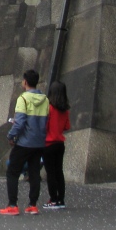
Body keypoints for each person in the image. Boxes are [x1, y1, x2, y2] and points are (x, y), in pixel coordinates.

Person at [0, 69, 49, 216]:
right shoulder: (45, 99)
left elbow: (20, 123)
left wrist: (11, 136)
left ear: (25, 82)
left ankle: (13, 205)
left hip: (24, 142)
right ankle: (32, 205)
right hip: (39, 142)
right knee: (34, 173)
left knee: (13, 172)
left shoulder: (23, 99)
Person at [42, 80, 71, 210]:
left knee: (50, 173)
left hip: (48, 144)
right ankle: (61, 199)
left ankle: (52, 199)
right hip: (60, 143)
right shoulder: (65, 110)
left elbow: (45, 126)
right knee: (59, 171)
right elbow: (67, 126)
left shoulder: (49, 108)